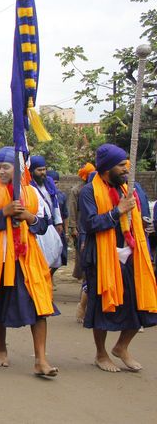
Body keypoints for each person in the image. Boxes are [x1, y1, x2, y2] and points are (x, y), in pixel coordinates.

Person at [0, 147, 58, 377]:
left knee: (39, 306)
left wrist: (28, 217)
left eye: (6, 167)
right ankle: (1, 349)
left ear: (19, 169)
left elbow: (43, 225)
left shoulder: (32, 193)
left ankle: (41, 360)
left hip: (28, 258)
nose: (1, 171)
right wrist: (4, 212)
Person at [79, 144, 157, 373]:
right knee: (103, 307)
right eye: (121, 165)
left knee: (140, 304)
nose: (126, 169)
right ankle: (101, 354)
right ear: (107, 168)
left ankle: (121, 347)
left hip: (131, 253)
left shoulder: (128, 188)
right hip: (101, 256)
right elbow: (90, 224)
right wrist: (117, 211)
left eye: (126, 164)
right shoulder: (88, 192)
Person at [69, 163, 96, 322]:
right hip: (83, 230)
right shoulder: (78, 190)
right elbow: (73, 209)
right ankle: (83, 304)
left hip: (94, 231)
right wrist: (73, 227)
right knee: (86, 267)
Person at [29, 156, 64, 275]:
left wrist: (58, 222)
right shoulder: (29, 185)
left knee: (56, 252)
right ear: (32, 171)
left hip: (50, 225)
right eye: (39, 170)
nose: (42, 172)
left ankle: (48, 278)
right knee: (41, 256)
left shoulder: (49, 182)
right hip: (37, 227)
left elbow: (55, 203)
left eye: (44, 169)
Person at [47, 170, 69, 269]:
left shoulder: (61, 195)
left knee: (61, 255)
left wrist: (66, 232)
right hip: (46, 229)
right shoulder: (41, 194)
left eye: (56, 183)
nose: (54, 185)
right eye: (51, 182)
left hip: (58, 229)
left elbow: (65, 215)